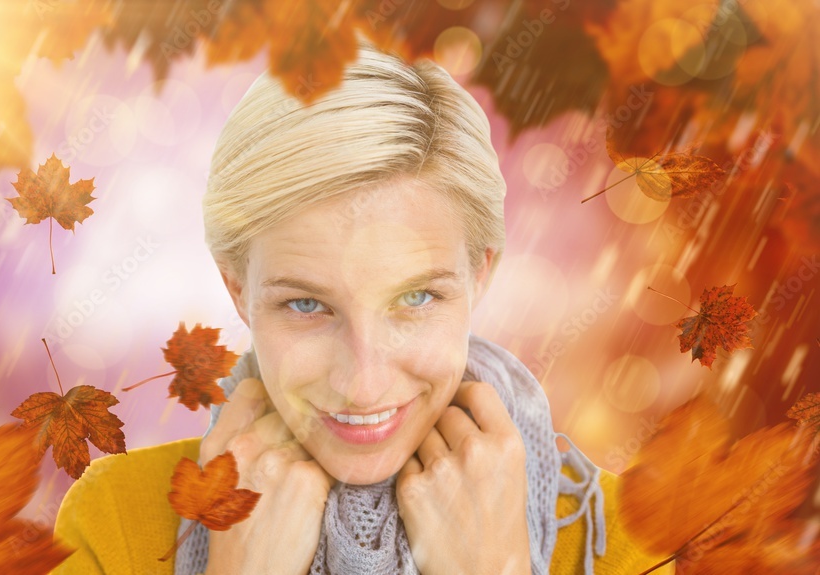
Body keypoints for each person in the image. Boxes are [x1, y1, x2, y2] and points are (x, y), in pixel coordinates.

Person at [50, 37, 673, 575]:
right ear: (237, 289)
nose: (363, 383)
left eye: (417, 297)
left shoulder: (633, 541)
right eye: (305, 305)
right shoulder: (117, 524)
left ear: (480, 277)